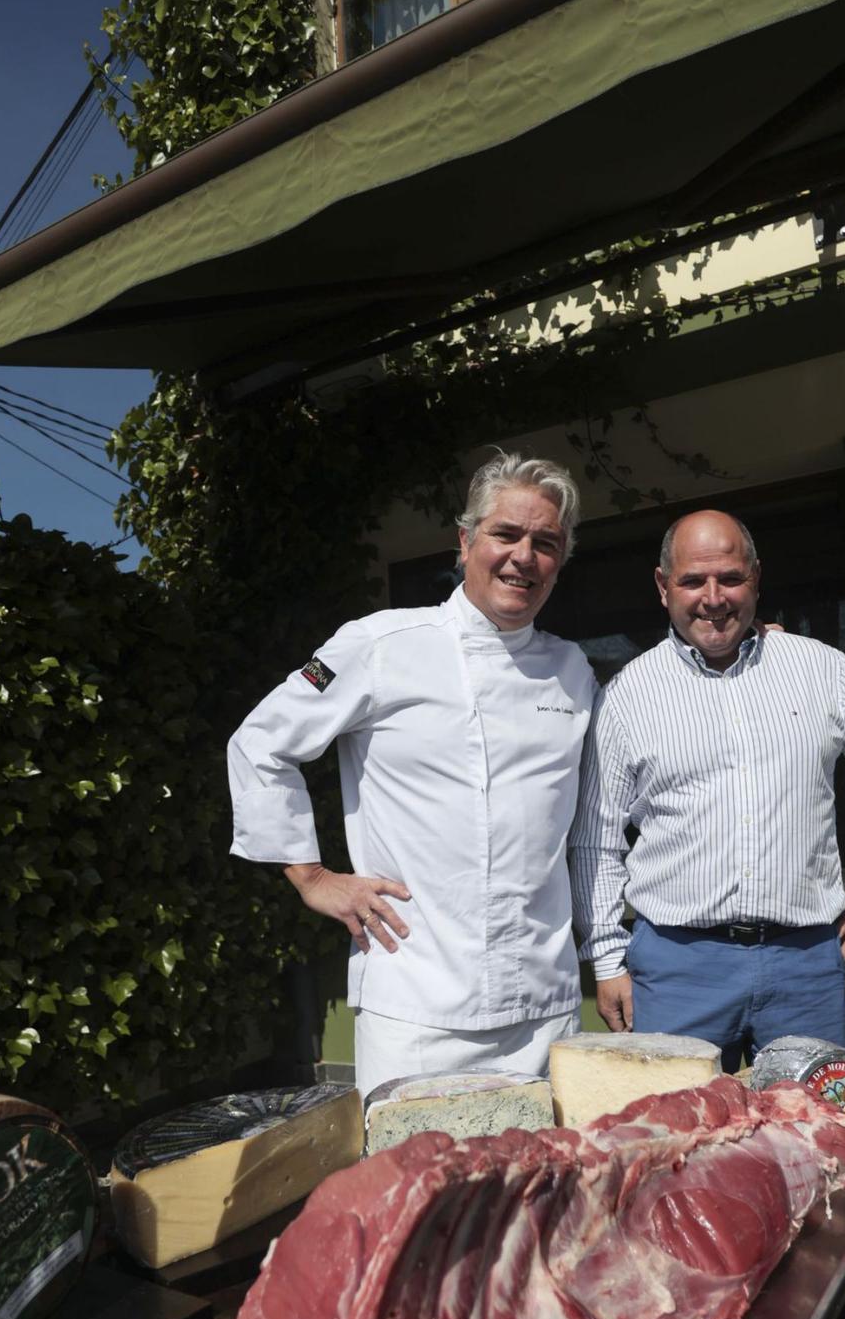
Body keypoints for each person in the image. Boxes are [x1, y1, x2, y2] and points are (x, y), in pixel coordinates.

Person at [228, 454, 596, 1097]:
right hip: (414, 1004)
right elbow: (260, 743)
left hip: (545, 1004)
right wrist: (312, 877)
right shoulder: (379, 645)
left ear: (560, 561)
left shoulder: (573, 670)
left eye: (545, 543)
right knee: (412, 1193)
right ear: (464, 542)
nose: (523, 557)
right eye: (505, 535)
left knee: (538, 1192)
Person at [569, 508, 845, 1070]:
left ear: (756, 579)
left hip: (806, 962)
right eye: (693, 580)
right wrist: (608, 957)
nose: (713, 598)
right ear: (664, 586)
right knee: (676, 1144)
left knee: (820, 1139)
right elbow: (597, 839)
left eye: (730, 579)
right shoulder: (626, 696)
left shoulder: (822, 670)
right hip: (676, 967)